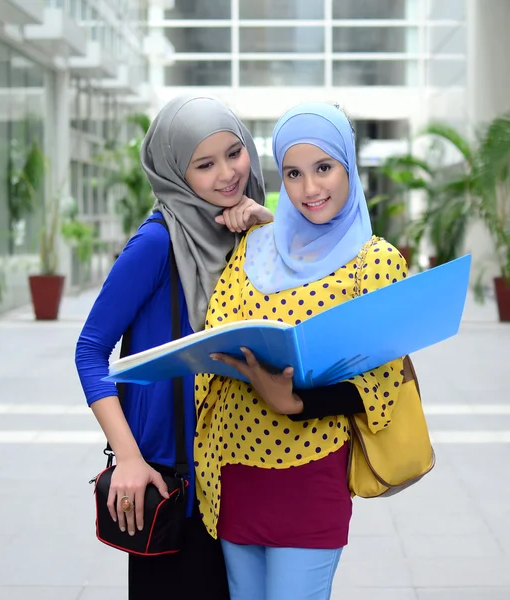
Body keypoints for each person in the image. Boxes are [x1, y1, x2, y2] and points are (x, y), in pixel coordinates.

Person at [195, 102, 409, 600]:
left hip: (309, 471)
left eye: (324, 168)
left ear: (348, 167)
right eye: (293, 173)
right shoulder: (255, 245)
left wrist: (296, 402)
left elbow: (380, 381)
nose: (310, 189)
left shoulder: (374, 262)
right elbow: (218, 329)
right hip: (234, 469)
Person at [75, 94, 271, 600]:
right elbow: (90, 349)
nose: (228, 174)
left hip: (240, 471)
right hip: (174, 486)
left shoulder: (248, 229)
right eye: (204, 165)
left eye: (235, 152)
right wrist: (128, 457)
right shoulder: (157, 243)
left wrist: (268, 230)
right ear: (175, 172)